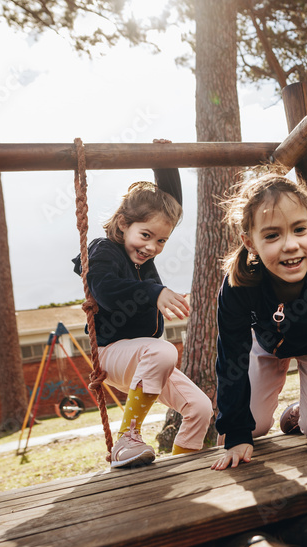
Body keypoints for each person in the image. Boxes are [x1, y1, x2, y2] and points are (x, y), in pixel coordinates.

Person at [212, 172, 307, 470]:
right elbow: (231, 359)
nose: (290, 245)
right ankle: (287, 417)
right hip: (265, 345)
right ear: (249, 242)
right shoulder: (239, 284)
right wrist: (236, 434)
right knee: (253, 429)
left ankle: (300, 415)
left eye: (299, 229)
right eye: (271, 235)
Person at [72, 164, 212, 468]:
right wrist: (154, 293)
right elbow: (106, 290)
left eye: (161, 241)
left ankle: (183, 472)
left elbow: (171, 208)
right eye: (146, 235)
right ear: (123, 224)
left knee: (200, 408)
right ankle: (128, 437)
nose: (152, 247)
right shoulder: (103, 251)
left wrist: (164, 163)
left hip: (146, 360)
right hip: (111, 352)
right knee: (163, 350)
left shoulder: (142, 256)